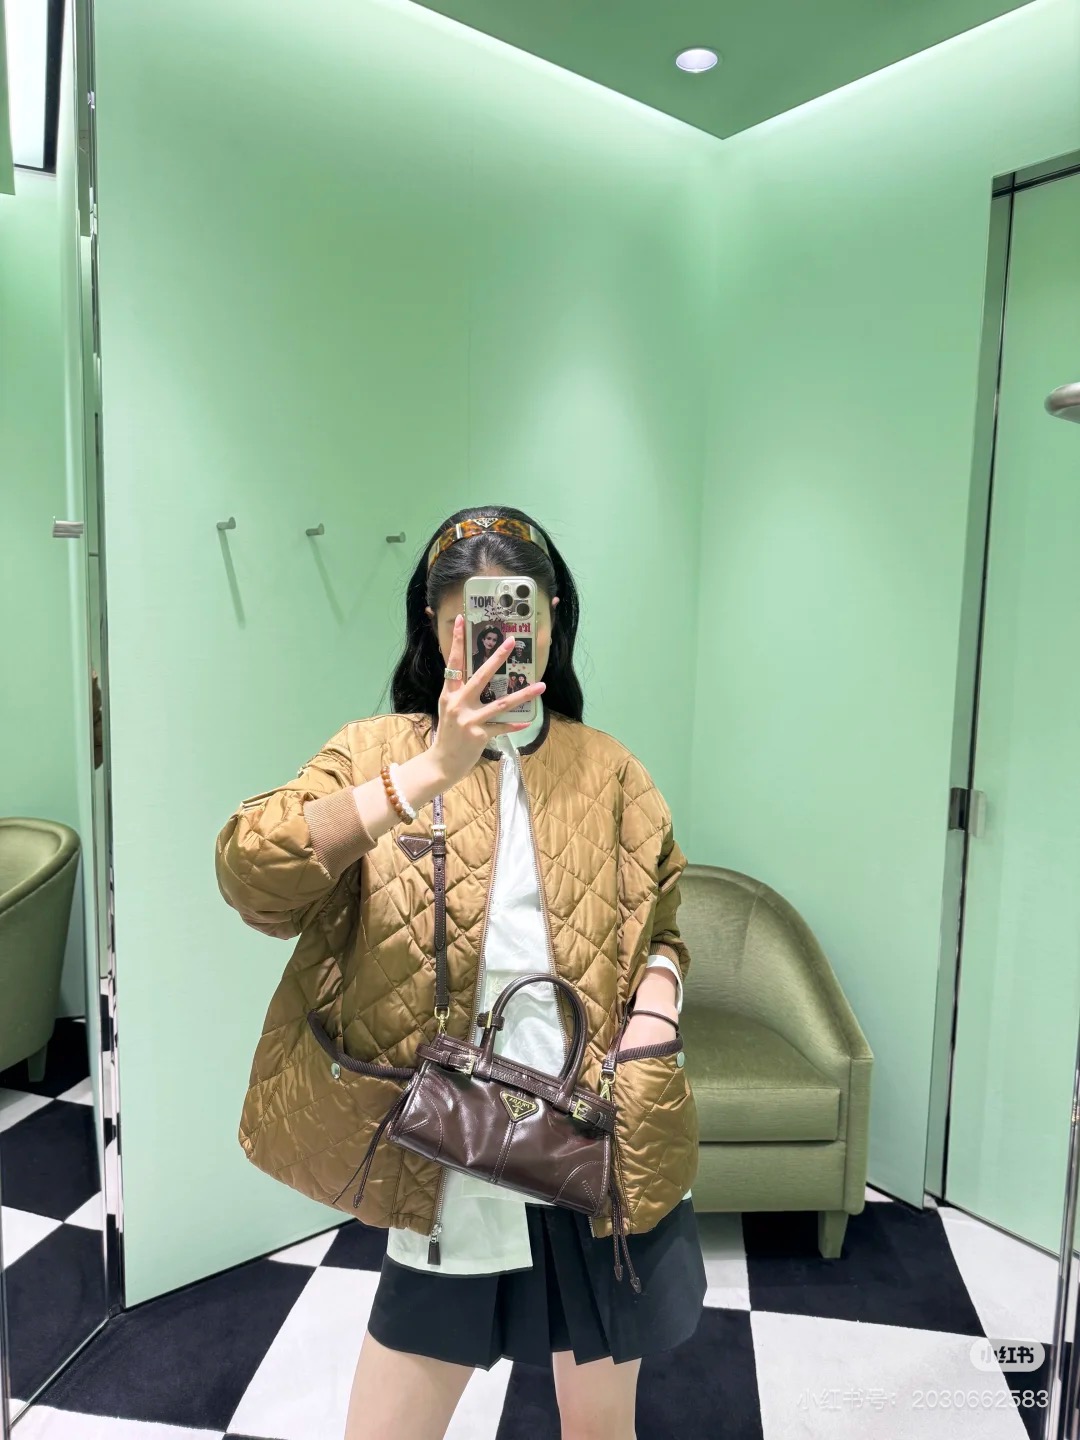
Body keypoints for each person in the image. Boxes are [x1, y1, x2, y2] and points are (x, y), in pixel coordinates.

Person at [215, 505, 704, 1440]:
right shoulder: (375, 753)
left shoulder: (612, 773)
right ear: (436, 628)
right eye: (468, 616)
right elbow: (250, 874)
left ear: (553, 623)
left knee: (601, 1429)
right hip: (451, 1154)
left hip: (595, 1137)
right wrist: (428, 772)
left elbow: (665, 930)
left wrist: (655, 1016)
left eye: (522, 613)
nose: (496, 640)